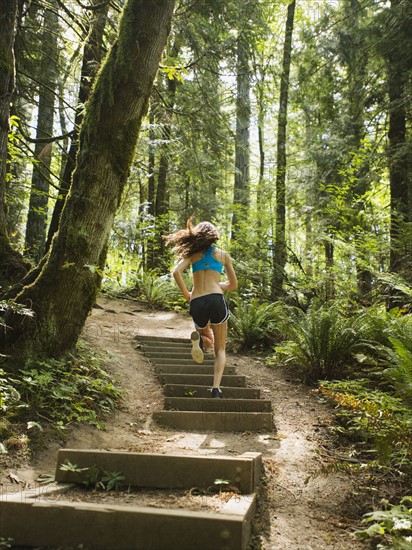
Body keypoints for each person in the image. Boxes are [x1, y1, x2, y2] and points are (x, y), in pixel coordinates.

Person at [164, 219, 238, 398]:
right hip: (216, 299)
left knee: (205, 333)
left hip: (197, 301)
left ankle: (201, 341)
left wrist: (187, 295)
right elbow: (234, 284)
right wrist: (219, 284)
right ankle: (215, 389)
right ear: (214, 236)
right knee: (220, 349)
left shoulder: (192, 255)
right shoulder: (223, 255)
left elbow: (175, 272)